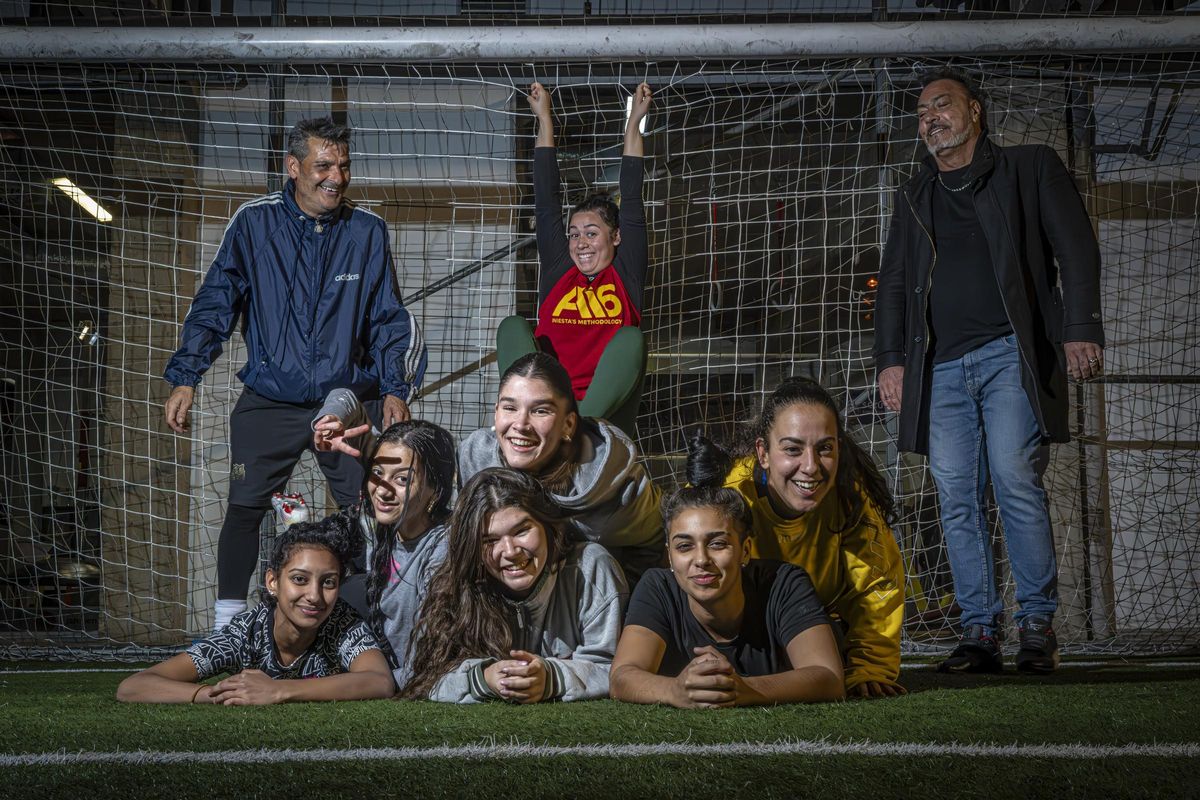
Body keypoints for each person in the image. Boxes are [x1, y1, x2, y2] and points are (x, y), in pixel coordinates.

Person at [874, 68, 1105, 674]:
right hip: (940, 368)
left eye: (942, 105)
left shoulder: (1029, 167)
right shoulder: (913, 193)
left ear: (975, 111)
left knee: (1013, 478)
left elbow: (1075, 247)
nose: (930, 118)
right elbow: (895, 282)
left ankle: (1036, 628)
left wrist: (1080, 327)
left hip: (1011, 355)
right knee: (955, 497)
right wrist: (892, 360)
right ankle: (978, 631)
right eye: (922, 112)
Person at [162, 117, 427, 631]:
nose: (336, 177)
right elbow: (215, 303)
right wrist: (186, 375)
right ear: (294, 168)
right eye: (323, 165)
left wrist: (395, 389)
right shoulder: (254, 224)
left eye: (344, 166)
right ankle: (228, 625)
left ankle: (376, 620)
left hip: (347, 398)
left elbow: (388, 318)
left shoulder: (367, 231)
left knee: (372, 511)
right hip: (271, 396)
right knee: (243, 508)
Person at [689, 378, 906, 698]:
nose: (811, 466)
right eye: (792, 449)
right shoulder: (733, 498)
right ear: (763, 453)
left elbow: (879, 584)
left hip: (819, 630)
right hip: (741, 635)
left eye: (825, 449)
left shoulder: (850, 499)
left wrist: (870, 666)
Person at [495, 81, 652, 438]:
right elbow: (546, 203)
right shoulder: (560, 269)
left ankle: (575, 432)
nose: (580, 243)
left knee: (631, 338)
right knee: (512, 327)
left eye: (592, 233)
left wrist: (633, 124)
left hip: (601, 417)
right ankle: (529, 417)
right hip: (548, 406)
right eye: (574, 234)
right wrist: (545, 120)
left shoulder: (624, 273)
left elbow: (632, 195)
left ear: (616, 238)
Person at [399, 468, 628, 704]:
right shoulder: (457, 584)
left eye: (521, 531)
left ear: (547, 525)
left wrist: (552, 678)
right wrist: (484, 678)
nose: (510, 552)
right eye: (490, 540)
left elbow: (621, 670)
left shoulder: (590, 567)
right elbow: (425, 677)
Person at [609, 484, 844, 708]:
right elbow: (622, 677)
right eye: (684, 546)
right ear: (669, 556)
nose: (701, 560)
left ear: (745, 550)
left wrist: (742, 689)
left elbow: (829, 677)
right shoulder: (657, 588)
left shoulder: (784, 583)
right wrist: (674, 690)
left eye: (718, 544)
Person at [116, 515, 394, 705]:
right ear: (273, 581)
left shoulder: (342, 621)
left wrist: (279, 690)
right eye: (299, 579)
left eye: (328, 582)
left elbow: (380, 682)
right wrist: (221, 694)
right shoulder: (245, 633)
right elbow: (132, 686)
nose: (314, 596)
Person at [457, 352, 663, 585]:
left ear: (568, 424)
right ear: (496, 412)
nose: (521, 425)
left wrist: (621, 600)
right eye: (510, 408)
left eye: (540, 410)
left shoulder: (613, 491)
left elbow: (656, 540)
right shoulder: (474, 460)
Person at [311, 389, 457, 688]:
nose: (383, 489)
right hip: (376, 662)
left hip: (405, 674)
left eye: (403, 479)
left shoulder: (443, 548)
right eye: (377, 473)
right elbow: (346, 397)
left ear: (435, 490)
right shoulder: (388, 522)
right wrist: (332, 418)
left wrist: (352, 684)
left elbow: (424, 672)